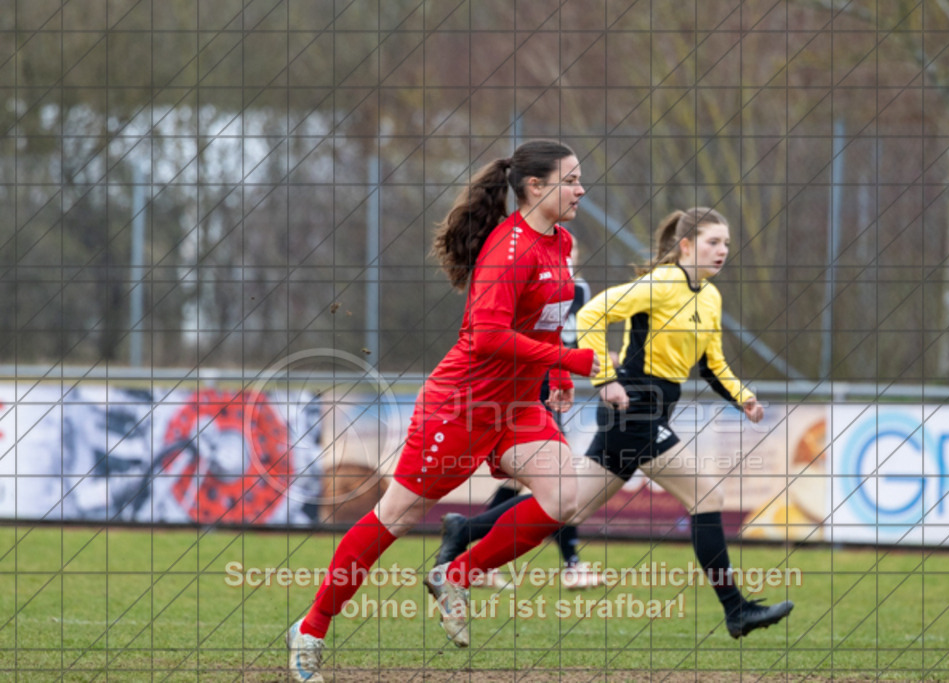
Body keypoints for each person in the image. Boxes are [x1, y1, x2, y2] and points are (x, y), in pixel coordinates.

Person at [285, 140, 599, 682]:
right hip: (463, 405)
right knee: (397, 517)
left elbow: (541, 323)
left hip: (518, 407)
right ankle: (310, 629)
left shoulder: (559, 242)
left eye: (578, 179)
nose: (581, 189)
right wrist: (568, 356)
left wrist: (556, 374)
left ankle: (458, 571)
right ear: (535, 187)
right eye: (571, 180)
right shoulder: (511, 249)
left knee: (564, 498)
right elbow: (487, 338)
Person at [433, 207, 794, 639]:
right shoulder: (661, 285)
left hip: (652, 410)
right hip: (634, 407)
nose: (722, 251)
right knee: (707, 495)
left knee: (569, 506)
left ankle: (464, 530)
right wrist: (604, 378)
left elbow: (712, 363)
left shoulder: (710, 298)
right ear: (685, 246)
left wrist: (743, 397)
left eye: (727, 244)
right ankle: (737, 611)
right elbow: (591, 315)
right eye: (712, 242)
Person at [435, 233, 605, 591]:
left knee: (542, 484)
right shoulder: (524, 271)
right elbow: (506, 333)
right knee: (556, 481)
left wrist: (570, 370)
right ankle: (570, 563)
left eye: (571, 255)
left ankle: (466, 539)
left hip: (552, 382)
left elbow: (565, 336)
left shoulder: (580, 290)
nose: (566, 260)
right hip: (523, 384)